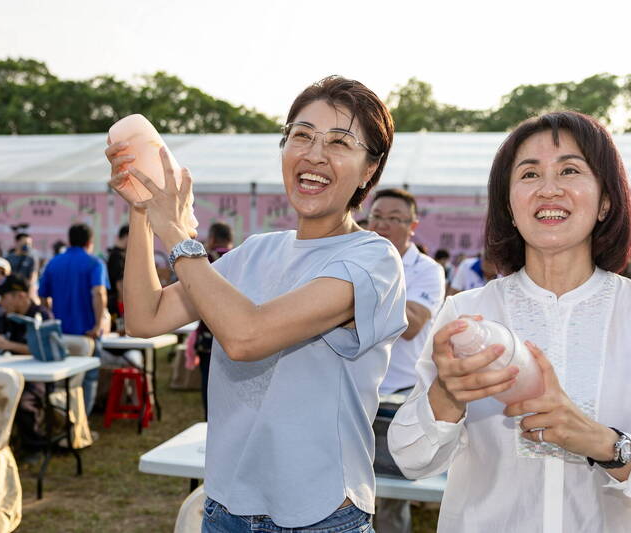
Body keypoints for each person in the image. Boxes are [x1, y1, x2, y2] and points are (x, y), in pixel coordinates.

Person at [387, 111, 631, 532]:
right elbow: (412, 459)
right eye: (529, 174)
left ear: (605, 201)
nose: (549, 189)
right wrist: (447, 397)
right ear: (509, 206)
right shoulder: (466, 315)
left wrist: (603, 443)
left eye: (570, 170)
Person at [105, 75, 406, 533]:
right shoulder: (256, 251)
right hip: (226, 506)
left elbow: (248, 336)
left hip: (319, 515)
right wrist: (144, 210)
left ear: (369, 169)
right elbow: (146, 318)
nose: (315, 154)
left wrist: (178, 236)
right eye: (301, 135)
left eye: (339, 142)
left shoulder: (373, 260)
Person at [367, 188, 445, 533]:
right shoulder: (354, 257)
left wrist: (372, 280)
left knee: (392, 492)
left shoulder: (427, 270)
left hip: (398, 397)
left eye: (394, 219)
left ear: (412, 226)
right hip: (353, 389)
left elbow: (411, 325)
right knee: (343, 484)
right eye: (376, 217)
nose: (382, 225)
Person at [39, 223, 110, 415]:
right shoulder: (95, 263)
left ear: (69, 240)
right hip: (87, 333)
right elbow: (99, 293)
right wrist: (97, 325)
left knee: (59, 380)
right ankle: (81, 422)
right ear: (90, 242)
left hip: (59, 333)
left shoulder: (53, 263)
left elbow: (43, 296)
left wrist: (50, 318)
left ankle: (60, 418)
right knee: (88, 378)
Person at [0, 275, 52, 455]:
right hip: (4, 375)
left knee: (23, 402)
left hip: (35, 379)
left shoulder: (41, 316)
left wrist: (9, 345)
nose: (0, 302)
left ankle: (33, 448)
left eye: (4, 297)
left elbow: (46, 351)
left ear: (20, 296)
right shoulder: (5, 317)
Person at [194, 222, 234, 419]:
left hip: (209, 335)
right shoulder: (240, 258)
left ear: (211, 238)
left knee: (208, 382)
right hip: (235, 333)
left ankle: (208, 422)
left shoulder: (205, 260)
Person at [5, 232, 40, 299]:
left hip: (25, 291)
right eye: (25, 243)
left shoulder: (31, 259)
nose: (27, 246)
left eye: (29, 244)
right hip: (11, 291)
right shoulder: (9, 258)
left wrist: (30, 291)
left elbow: (33, 276)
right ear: (17, 242)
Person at [106, 224, 129, 325]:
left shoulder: (117, 254)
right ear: (127, 236)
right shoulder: (117, 256)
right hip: (116, 305)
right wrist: (123, 310)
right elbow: (120, 285)